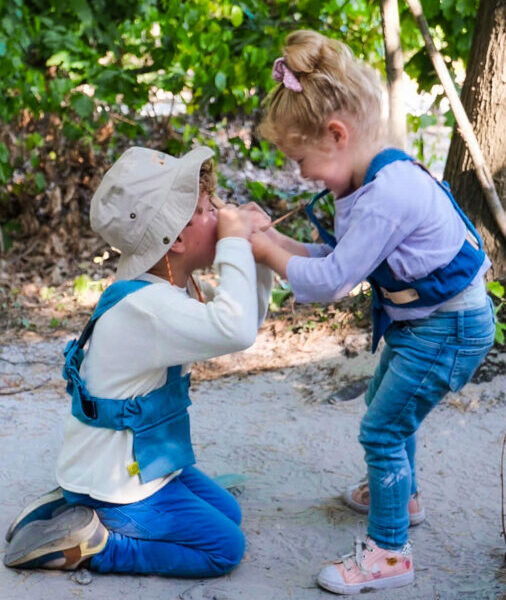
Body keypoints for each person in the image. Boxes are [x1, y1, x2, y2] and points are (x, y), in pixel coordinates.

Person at [250, 30, 495, 595]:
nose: (302, 174)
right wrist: (279, 245)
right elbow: (337, 259)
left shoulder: (388, 194)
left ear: (336, 135)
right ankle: (400, 497)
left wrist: (267, 252)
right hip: (425, 326)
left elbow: (332, 282)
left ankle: (389, 552)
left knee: (382, 425)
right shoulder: (368, 181)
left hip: (449, 328)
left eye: (303, 159)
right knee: (390, 404)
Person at [4, 145, 273, 578]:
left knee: (229, 511)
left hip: (139, 462)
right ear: (178, 238)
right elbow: (237, 331)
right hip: (121, 481)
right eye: (208, 209)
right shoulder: (150, 309)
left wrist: (255, 256)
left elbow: (242, 323)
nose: (221, 213)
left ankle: (74, 500)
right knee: (225, 547)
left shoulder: (163, 289)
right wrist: (238, 242)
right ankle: (96, 542)